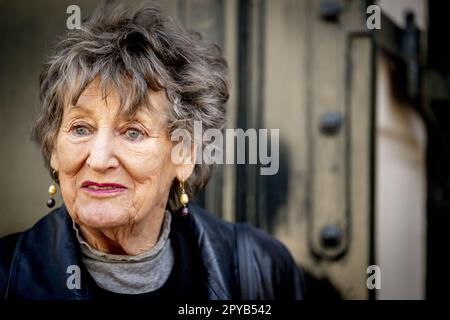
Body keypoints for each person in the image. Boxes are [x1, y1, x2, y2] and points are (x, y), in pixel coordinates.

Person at [0, 0, 304, 300]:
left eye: (133, 132)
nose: (99, 158)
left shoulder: (261, 270)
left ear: (185, 154)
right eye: (81, 128)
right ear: (54, 146)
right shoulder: (6, 276)